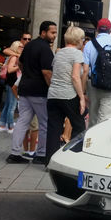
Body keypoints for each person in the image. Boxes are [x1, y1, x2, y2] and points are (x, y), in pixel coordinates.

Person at [6, 20, 56, 164]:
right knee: (45, 123)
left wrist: (27, 74)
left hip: (25, 88)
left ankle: (14, 153)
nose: (54, 35)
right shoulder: (46, 49)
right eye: (52, 32)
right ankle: (41, 154)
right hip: (39, 91)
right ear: (43, 32)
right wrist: (51, 89)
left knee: (22, 121)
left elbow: (20, 63)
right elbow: (47, 73)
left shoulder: (29, 46)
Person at [45, 25, 86, 163]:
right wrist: (81, 97)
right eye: (83, 38)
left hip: (53, 95)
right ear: (79, 40)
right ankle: (72, 158)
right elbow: (75, 77)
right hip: (68, 94)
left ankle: (50, 161)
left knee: (53, 128)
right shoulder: (77, 54)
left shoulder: (59, 53)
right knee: (79, 125)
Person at [83, 18, 111, 126]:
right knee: (106, 118)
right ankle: (101, 139)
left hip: (93, 84)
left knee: (93, 116)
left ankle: (91, 140)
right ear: (110, 30)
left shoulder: (89, 44)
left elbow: (85, 70)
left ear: (97, 30)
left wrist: (83, 91)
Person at [0, 40, 23, 133]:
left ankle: (2, 124)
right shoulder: (14, 57)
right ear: (16, 47)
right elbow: (10, 70)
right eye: (20, 47)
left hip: (10, 83)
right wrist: (19, 66)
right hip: (13, 83)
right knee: (12, 106)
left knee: (8, 104)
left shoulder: (13, 56)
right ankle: (10, 126)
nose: (22, 48)